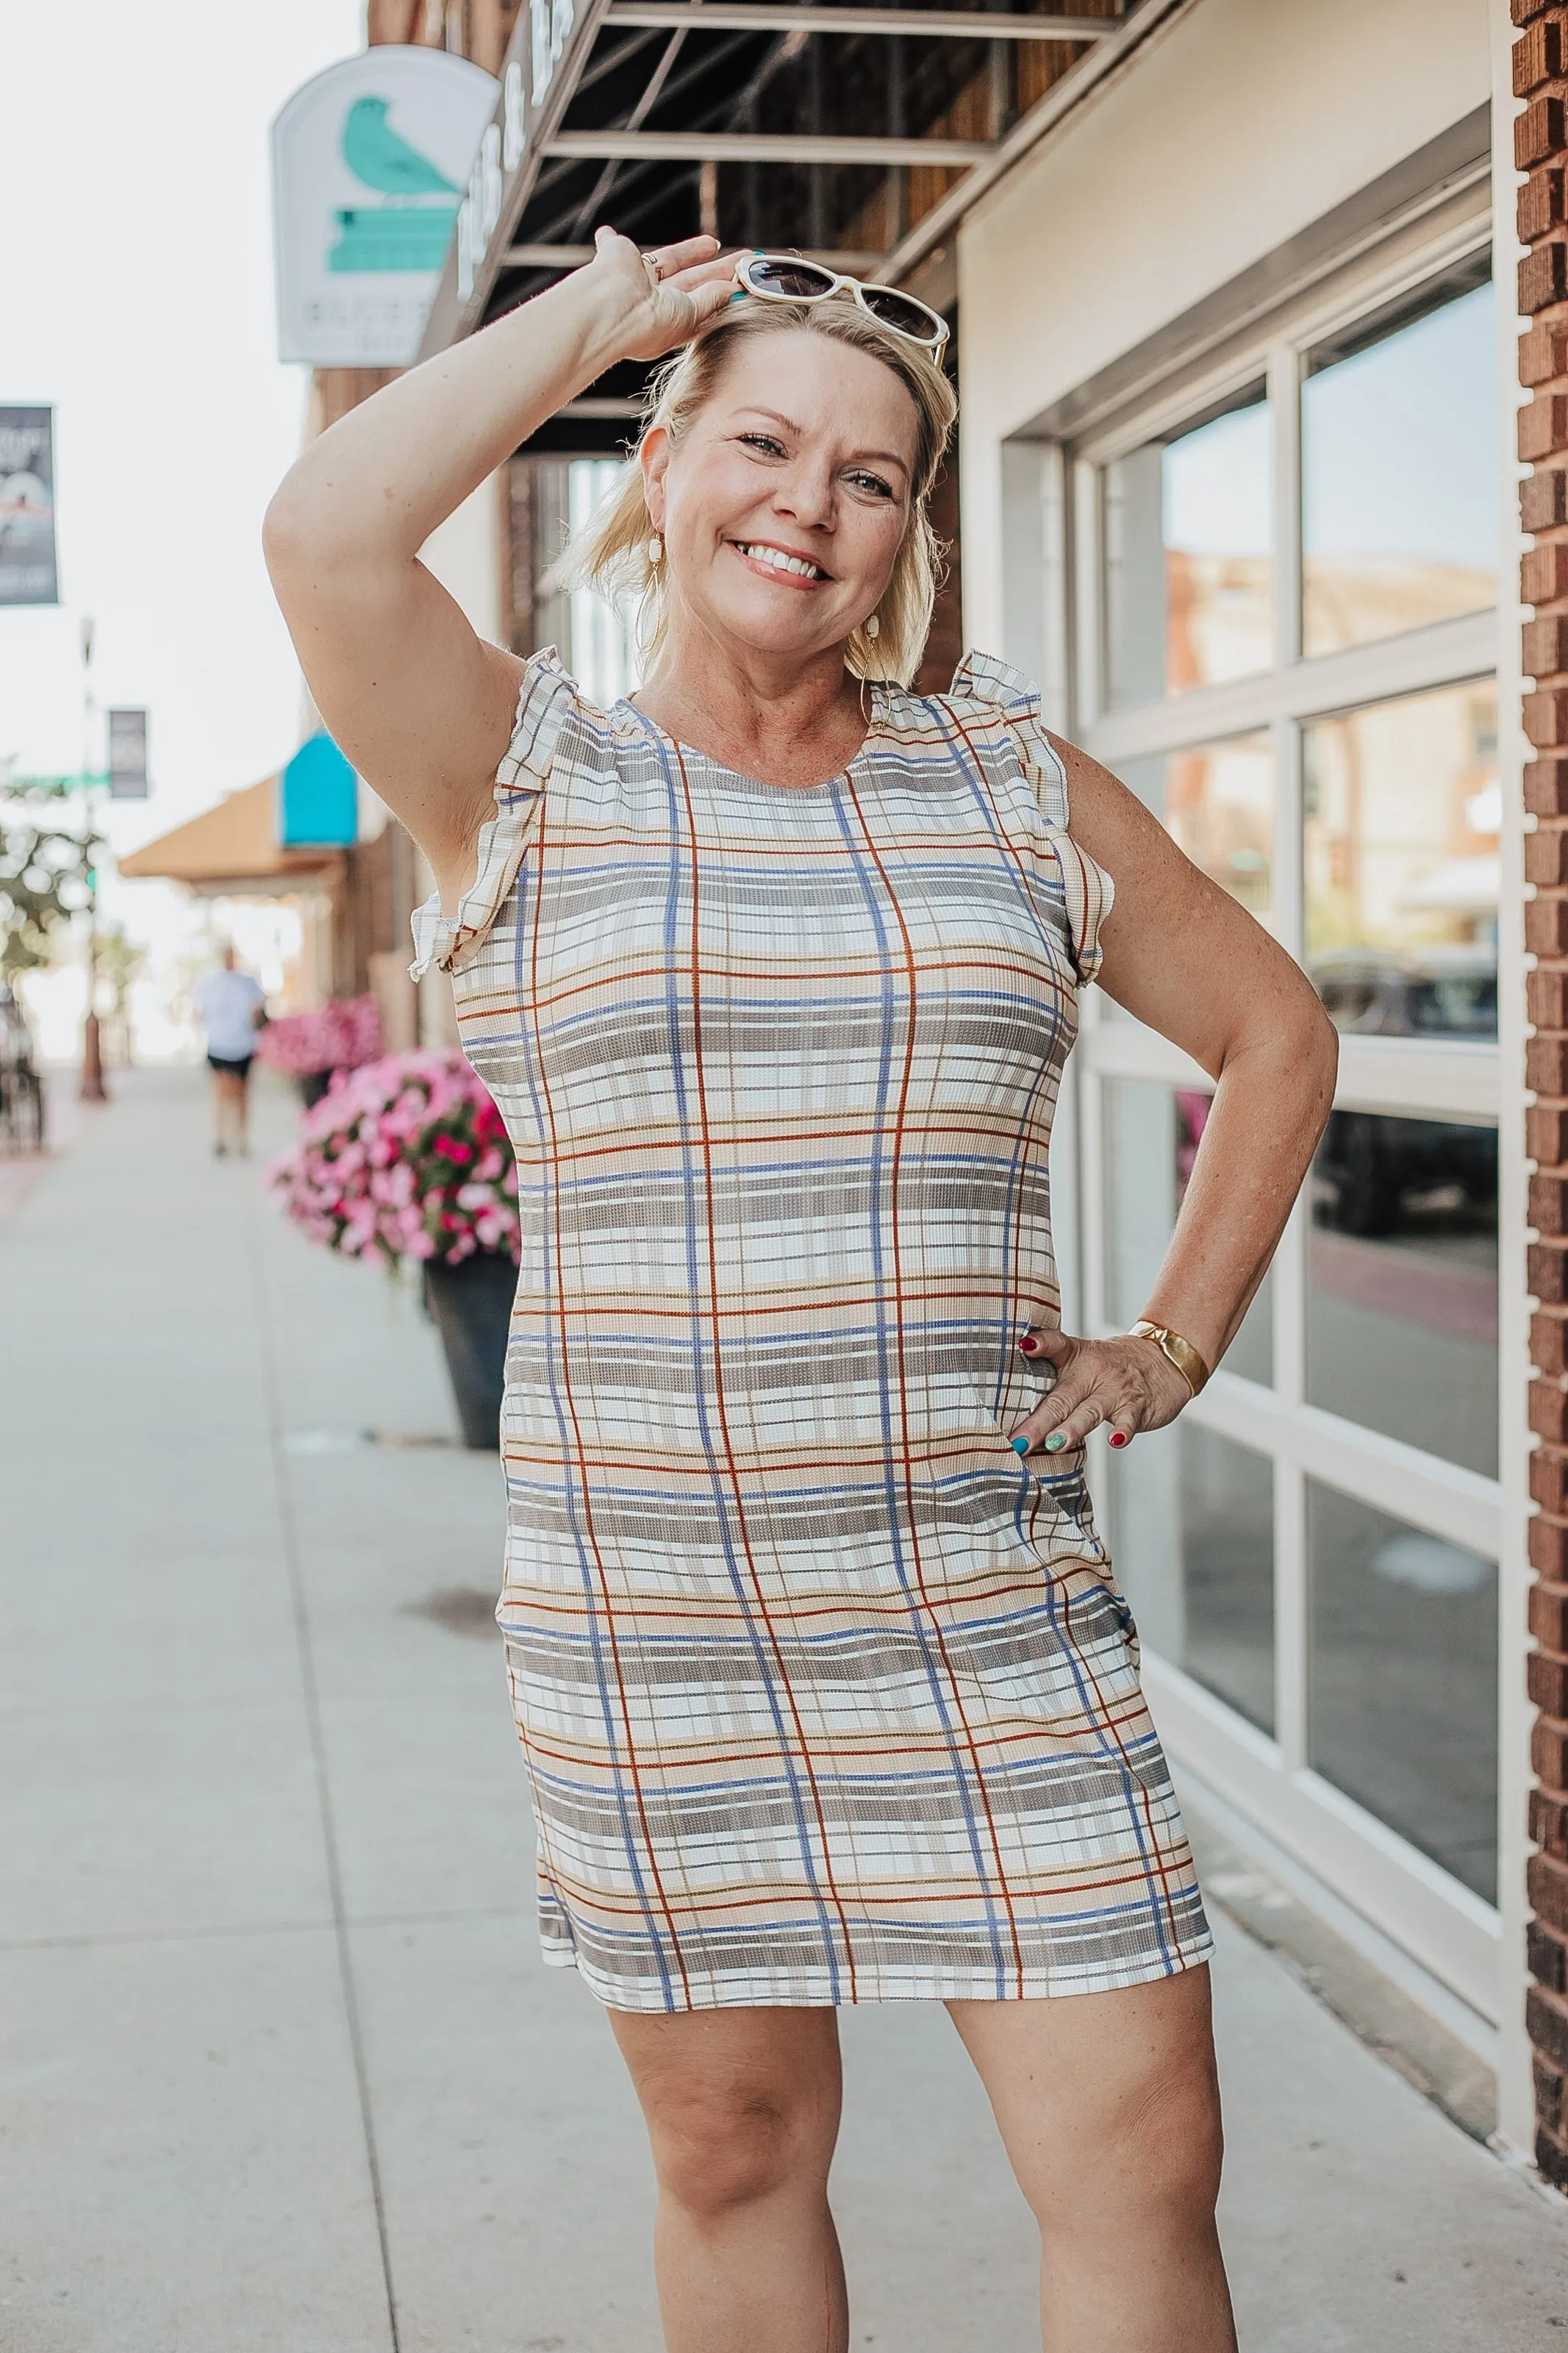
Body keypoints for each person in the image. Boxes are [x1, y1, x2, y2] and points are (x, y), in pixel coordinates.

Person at [263, 229, 1337, 2353]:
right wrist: (593, 320)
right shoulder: (525, 770)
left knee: (1138, 2159)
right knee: (735, 2152)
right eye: (758, 442)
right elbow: (324, 527)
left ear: (906, 534)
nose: (808, 505)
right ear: (659, 470)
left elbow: (1277, 1032)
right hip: (655, 1622)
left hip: (979, 1604)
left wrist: (1171, 1338)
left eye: (870, 476)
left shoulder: (1008, 784)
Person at [195, 946, 265, 1157]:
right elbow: (198, 1012)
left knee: (241, 1093)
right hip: (219, 1045)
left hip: (243, 1045)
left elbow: (258, 1010)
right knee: (220, 1092)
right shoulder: (210, 983)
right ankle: (221, 1136)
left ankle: (240, 1136)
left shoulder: (248, 983)